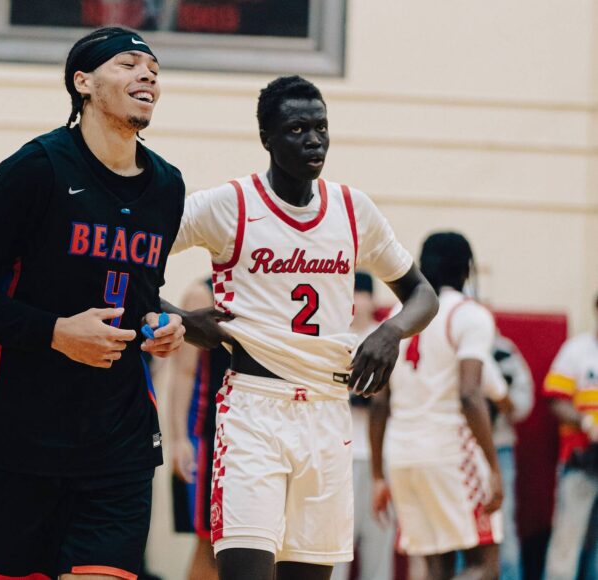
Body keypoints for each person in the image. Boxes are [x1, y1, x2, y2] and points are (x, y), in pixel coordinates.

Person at [0, 26, 186, 580]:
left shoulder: (167, 185)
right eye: (129, 64)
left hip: (120, 445)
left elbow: (137, 293)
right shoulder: (36, 169)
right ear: (82, 82)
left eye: (154, 71)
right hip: (23, 441)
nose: (147, 77)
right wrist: (56, 332)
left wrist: (160, 324)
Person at [166, 75, 439, 580]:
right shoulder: (229, 205)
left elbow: (422, 294)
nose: (314, 139)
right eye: (297, 129)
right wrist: (178, 318)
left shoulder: (353, 209)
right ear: (267, 138)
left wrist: (390, 332)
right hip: (253, 409)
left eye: (321, 127)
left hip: (328, 413)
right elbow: (133, 252)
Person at [370, 232, 504, 580]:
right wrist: (493, 466)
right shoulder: (469, 314)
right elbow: (469, 395)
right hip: (450, 452)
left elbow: (379, 403)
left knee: (434, 568)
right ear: (467, 269)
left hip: (402, 454)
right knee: (483, 564)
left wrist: (377, 475)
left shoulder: (398, 314)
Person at [331, 272, 395, 580]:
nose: (356, 300)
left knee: (378, 545)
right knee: (337, 544)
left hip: (379, 456)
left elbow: (393, 397)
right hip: (341, 453)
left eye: (361, 293)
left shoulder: (385, 339)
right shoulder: (332, 337)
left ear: (371, 298)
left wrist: (369, 397)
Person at [170, 278, 231, 580]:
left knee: (245, 547)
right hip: (207, 437)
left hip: (248, 436)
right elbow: (183, 371)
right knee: (210, 545)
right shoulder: (201, 294)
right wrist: (179, 438)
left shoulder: (263, 288)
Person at [543, 291, 598, 580]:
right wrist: (587, 422)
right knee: (567, 546)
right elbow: (555, 399)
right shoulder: (578, 350)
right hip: (580, 460)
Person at [489, 334, 534, 580]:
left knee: (502, 528)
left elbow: (522, 403)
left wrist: (501, 399)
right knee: (459, 530)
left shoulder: (504, 352)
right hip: (458, 449)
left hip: (499, 447)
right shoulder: (449, 344)